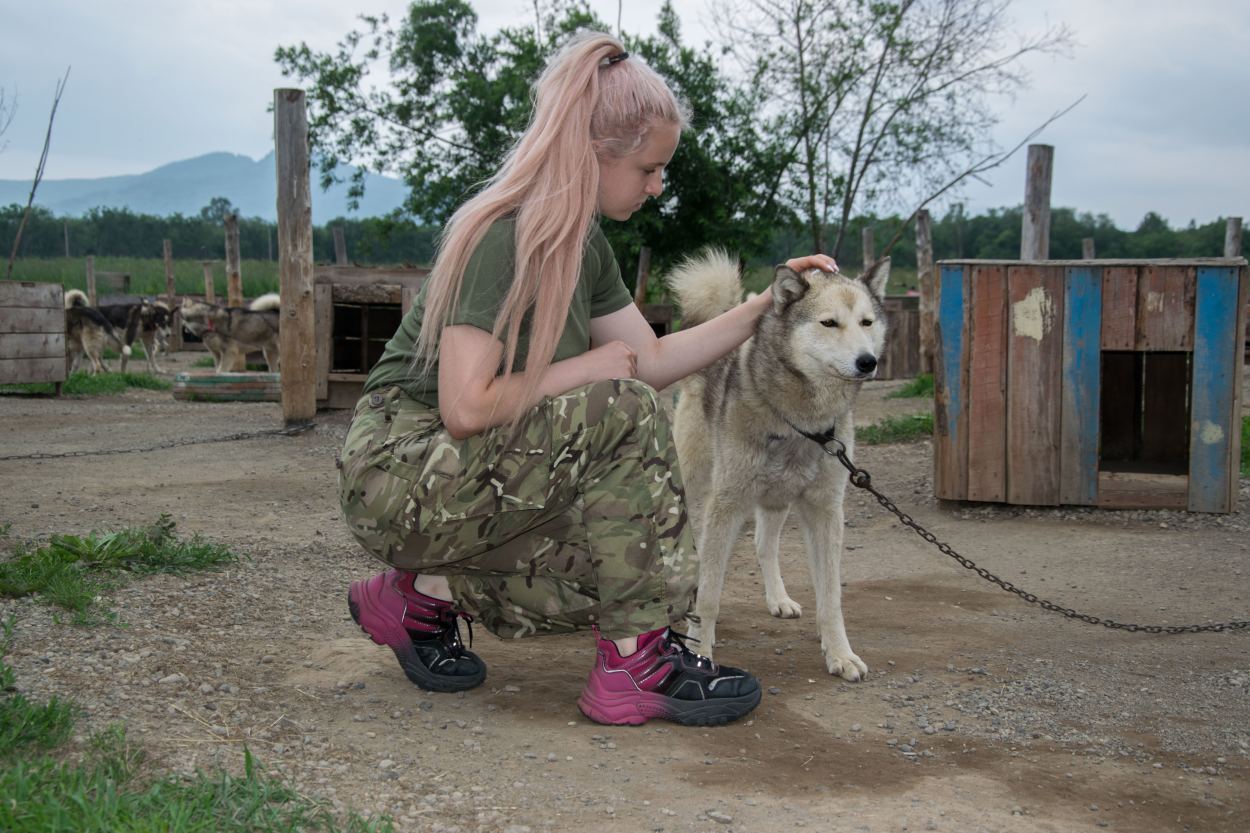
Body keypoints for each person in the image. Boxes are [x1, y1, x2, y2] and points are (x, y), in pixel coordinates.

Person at [337, 30, 837, 727]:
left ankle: (420, 595)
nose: (659, 186)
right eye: (649, 169)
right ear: (592, 151)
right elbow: (463, 405)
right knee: (621, 406)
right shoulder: (501, 237)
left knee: (623, 558)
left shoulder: (585, 245)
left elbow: (654, 359)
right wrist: (582, 370)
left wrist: (763, 308)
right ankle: (634, 667)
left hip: (465, 479)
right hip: (397, 470)